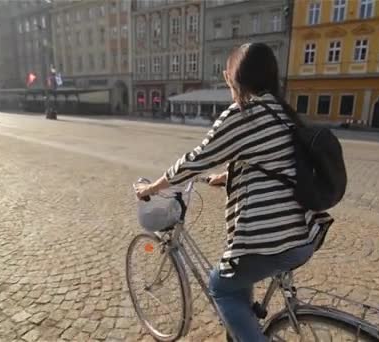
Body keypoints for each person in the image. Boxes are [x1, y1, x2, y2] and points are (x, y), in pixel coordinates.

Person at [135, 43, 332, 341]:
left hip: (271, 241)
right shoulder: (283, 111)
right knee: (238, 283)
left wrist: (150, 188)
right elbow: (278, 160)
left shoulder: (245, 113)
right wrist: (228, 175)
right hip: (305, 233)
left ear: (233, 78)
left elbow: (194, 160)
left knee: (220, 287)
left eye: (227, 76)